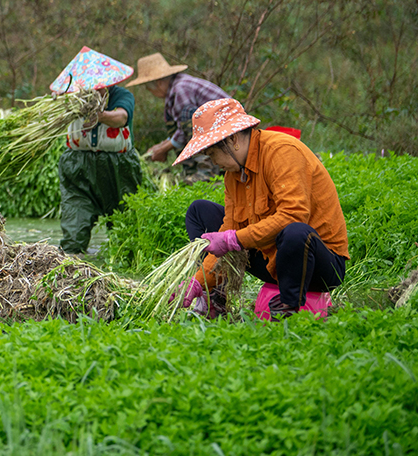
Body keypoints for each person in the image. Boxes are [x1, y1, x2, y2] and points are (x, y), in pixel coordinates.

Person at [173, 98, 349, 318]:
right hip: (273, 260)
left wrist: (234, 239)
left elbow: (293, 215)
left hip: (314, 265)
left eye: (213, 154)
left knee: (295, 231)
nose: (213, 162)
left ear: (234, 139)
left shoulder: (282, 151)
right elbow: (228, 227)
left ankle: (288, 308)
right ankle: (215, 296)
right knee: (200, 212)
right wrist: (199, 282)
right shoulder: (233, 175)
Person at [52, 47, 143, 256]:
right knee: (74, 230)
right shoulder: (71, 96)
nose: (95, 90)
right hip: (78, 165)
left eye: (99, 86)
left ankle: (124, 261)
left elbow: (121, 117)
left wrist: (98, 114)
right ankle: (72, 266)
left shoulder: (122, 95)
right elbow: (54, 109)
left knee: (124, 230)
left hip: (118, 167)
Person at [126, 53, 229, 180]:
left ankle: (206, 173)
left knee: (189, 116)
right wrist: (161, 146)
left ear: (158, 83)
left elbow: (189, 124)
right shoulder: (176, 88)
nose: (150, 92)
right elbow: (179, 128)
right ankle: (191, 172)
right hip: (217, 129)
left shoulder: (181, 89)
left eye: (148, 88)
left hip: (226, 129)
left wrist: (163, 149)